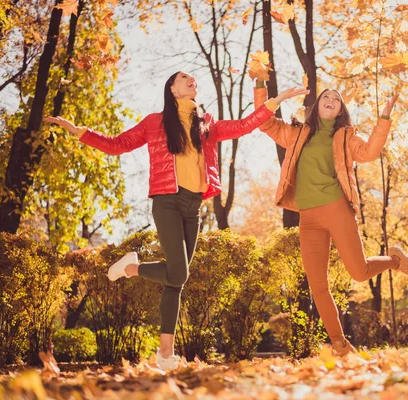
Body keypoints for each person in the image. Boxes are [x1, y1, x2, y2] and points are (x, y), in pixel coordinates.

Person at [44, 72, 307, 370]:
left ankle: (164, 354)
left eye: (194, 78)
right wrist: (79, 131)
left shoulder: (206, 123)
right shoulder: (155, 122)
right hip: (167, 201)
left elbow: (245, 125)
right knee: (179, 274)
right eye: (185, 77)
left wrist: (277, 100)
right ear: (171, 87)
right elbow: (118, 145)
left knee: (175, 281)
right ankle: (133, 270)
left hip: (193, 205)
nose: (192, 80)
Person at [253, 81, 408, 356]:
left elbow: (369, 152)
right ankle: (340, 345)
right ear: (317, 105)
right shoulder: (296, 134)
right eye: (326, 96)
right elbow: (265, 122)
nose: (331, 99)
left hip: (336, 209)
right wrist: (260, 83)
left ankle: (395, 260)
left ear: (340, 109)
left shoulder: (345, 137)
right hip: (308, 218)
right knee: (317, 285)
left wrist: (385, 118)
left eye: (336, 98)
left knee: (359, 272)